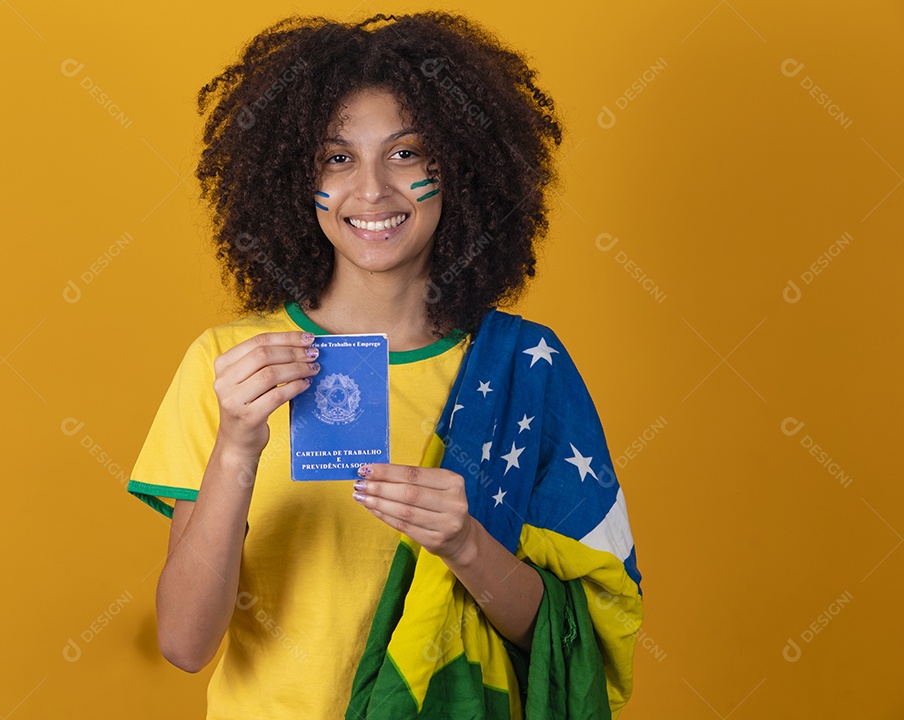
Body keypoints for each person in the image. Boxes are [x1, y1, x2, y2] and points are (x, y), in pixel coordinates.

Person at [127, 12, 643, 719]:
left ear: (459, 166)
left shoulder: (525, 367)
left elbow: (568, 642)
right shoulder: (227, 365)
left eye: (405, 154)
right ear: (292, 177)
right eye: (337, 159)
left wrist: (465, 545)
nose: (370, 191)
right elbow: (186, 643)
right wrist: (236, 446)